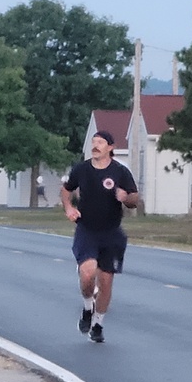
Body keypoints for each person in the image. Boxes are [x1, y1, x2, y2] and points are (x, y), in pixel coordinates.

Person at [60, 130, 139, 343]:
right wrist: (68, 208)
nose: (95, 146)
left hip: (112, 233)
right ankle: (87, 308)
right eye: (93, 142)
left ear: (110, 147)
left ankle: (98, 324)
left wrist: (126, 197)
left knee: (105, 282)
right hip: (87, 230)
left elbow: (134, 198)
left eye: (100, 142)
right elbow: (66, 190)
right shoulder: (81, 169)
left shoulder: (120, 172)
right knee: (87, 274)